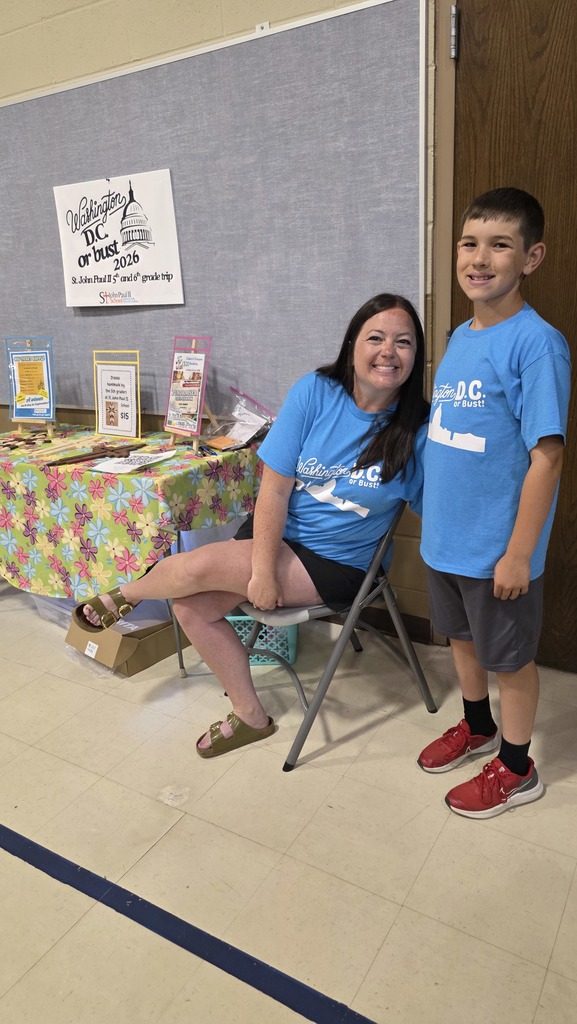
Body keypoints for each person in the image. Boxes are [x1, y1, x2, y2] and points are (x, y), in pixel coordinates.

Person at [74, 293, 430, 757]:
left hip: (338, 561)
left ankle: (128, 594)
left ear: (416, 357)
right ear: (352, 344)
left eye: (404, 342)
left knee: (195, 570)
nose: (389, 351)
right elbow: (275, 490)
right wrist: (261, 571)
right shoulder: (315, 391)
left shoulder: (420, 427)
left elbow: (438, 505)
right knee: (190, 608)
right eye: (376, 338)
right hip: (277, 535)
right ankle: (251, 717)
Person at [419, 187, 571, 818]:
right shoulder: (458, 335)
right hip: (446, 539)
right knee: (460, 639)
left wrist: (518, 552)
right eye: (469, 242)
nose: (479, 258)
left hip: (497, 548)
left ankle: (516, 765)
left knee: (510, 660)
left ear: (530, 258)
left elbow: (548, 456)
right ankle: (476, 724)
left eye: (499, 245)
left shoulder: (538, 344)